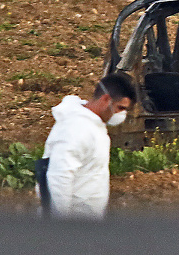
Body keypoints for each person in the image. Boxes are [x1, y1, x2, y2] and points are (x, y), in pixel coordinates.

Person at [37, 73, 135, 220]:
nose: (121, 114)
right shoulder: (77, 128)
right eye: (120, 108)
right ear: (106, 99)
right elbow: (59, 177)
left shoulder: (92, 125)